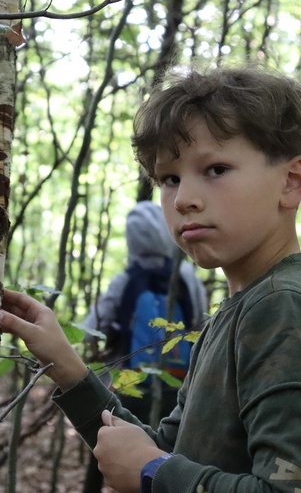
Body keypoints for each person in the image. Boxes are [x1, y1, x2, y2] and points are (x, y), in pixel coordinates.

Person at [0, 66, 301, 492]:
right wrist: (68, 368)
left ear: (291, 182)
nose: (184, 199)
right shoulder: (242, 308)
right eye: (169, 178)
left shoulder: (285, 306)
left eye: (217, 169)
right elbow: (165, 449)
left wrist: (154, 473)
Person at [81, 200, 208, 493]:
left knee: (106, 452)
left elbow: (90, 332)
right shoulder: (187, 278)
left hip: (129, 388)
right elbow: (202, 330)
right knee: (164, 462)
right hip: (177, 391)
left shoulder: (125, 281)